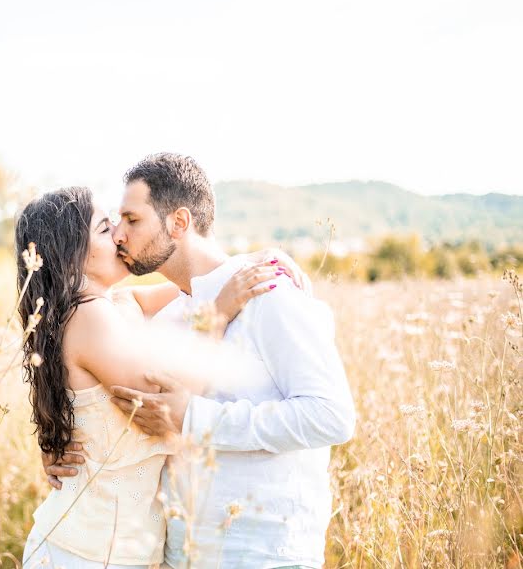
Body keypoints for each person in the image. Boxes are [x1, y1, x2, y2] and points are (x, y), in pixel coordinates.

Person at [40, 153, 356, 568]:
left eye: (132, 220)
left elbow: (331, 417)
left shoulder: (271, 295)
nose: (118, 235)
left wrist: (195, 419)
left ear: (179, 222)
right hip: (179, 551)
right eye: (114, 223)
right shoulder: (165, 317)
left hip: (262, 551)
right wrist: (55, 438)